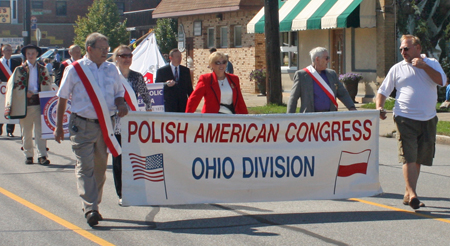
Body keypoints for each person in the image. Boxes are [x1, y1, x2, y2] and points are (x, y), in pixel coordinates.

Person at [54, 33, 128, 226]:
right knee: (85, 167)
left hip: (105, 126)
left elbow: (119, 93)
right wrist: (58, 127)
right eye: (102, 48)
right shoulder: (74, 69)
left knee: (100, 169)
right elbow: (62, 96)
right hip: (82, 125)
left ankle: (93, 202)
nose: (106, 51)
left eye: (107, 48)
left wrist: (121, 103)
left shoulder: (112, 69)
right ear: (89, 49)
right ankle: (90, 208)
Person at [376, 35, 447, 209]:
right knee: (408, 156)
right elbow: (383, 90)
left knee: (418, 158)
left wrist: (424, 67)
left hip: (428, 118)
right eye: (401, 49)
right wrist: (379, 106)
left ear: (418, 48)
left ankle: (408, 193)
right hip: (404, 118)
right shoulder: (397, 68)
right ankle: (414, 194)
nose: (403, 52)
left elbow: (442, 81)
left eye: (406, 48)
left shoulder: (431, 63)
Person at [112, 45, 152, 206]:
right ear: (116, 58)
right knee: (119, 158)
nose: (127, 58)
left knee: (135, 157)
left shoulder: (137, 77)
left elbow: (146, 97)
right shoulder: (111, 76)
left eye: (129, 55)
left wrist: (148, 113)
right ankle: (122, 193)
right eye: (123, 55)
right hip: (116, 123)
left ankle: (138, 190)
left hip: (133, 123)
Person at [4, 44, 52, 165]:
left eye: (33, 53)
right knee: (26, 132)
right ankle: (29, 154)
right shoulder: (19, 70)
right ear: (25, 55)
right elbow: (12, 87)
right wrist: (25, 94)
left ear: (37, 54)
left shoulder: (43, 69)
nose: (31, 56)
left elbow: (48, 84)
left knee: (40, 132)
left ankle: (42, 155)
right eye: (28, 54)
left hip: (39, 104)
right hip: (25, 104)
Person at [287, 47, 356, 113]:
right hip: (310, 119)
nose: (328, 61)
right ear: (317, 59)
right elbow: (293, 98)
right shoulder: (302, 75)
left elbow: (343, 93)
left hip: (330, 117)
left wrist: (351, 107)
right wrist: (289, 118)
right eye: (326, 58)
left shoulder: (332, 74)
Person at [0, 44, 18, 137]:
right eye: (7, 50)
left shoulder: (16, 62)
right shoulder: (0, 63)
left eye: (10, 50)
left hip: (12, 90)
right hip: (1, 90)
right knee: (1, 108)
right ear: (2, 52)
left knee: (12, 109)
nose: (9, 52)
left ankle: (10, 131)